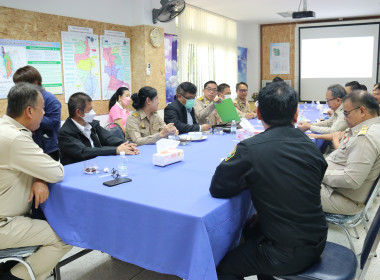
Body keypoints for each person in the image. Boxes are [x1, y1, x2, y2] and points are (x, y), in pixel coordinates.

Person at [210, 81, 328, 280]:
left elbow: (218, 188)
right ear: (296, 114)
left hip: (286, 252)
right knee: (251, 228)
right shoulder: (311, 147)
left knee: (222, 268)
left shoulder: (250, 149)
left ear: (258, 114)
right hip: (317, 238)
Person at [0, 83, 72, 280]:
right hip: (4, 225)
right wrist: (41, 173)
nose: (45, 114)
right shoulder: (15, 139)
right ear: (29, 111)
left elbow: (36, 167)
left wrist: (38, 176)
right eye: (43, 109)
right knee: (64, 236)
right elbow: (56, 171)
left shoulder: (5, 129)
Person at [321, 90, 380, 215]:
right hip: (336, 189)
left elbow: (351, 179)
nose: (344, 117)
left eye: (346, 113)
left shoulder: (366, 138)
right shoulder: (364, 129)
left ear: (362, 111)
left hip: (342, 197)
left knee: (289, 185)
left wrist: (319, 174)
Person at [58, 92, 139, 165]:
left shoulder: (92, 124)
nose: (93, 112)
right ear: (78, 112)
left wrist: (126, 145)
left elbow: (108, 138)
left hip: (97, 164)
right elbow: (84, 151)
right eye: (89, 110)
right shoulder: (65, 133)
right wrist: (116, 150)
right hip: (79, 169)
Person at [13, 65, 61, 161]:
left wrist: (31, 117)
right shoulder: (23, 99)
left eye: (21, 85)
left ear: (35, 83)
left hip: (48, 149)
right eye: (16, 85)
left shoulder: (50, 99)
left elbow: (54, 122)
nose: (18, 88)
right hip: (28, 146)